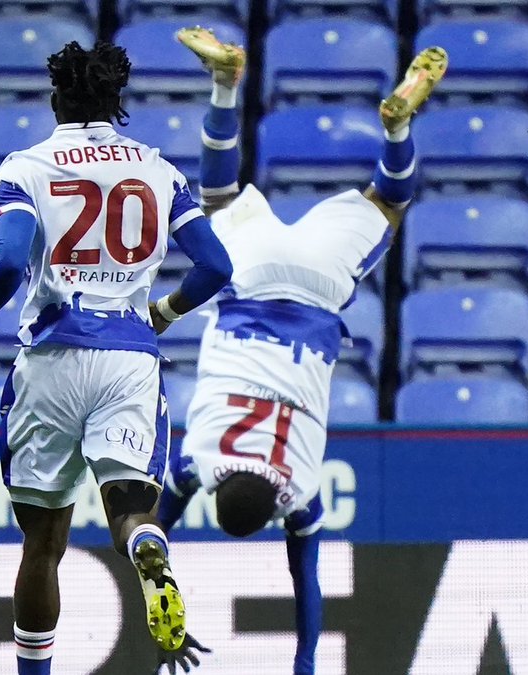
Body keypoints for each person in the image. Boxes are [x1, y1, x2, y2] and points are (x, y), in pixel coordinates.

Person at [156, 28, 447, 675]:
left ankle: (399, 131)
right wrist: (160, 593)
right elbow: (155, 530)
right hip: (250, 275)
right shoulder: (197, 459)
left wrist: (306, 661)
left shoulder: (301, 490)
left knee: (392, 201)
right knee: (218, 197)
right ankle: (226, 84)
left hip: (315, 289)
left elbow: (307, 581)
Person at [0, 40, 233, 675]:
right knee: (131, 509)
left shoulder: (27, 166)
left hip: (51, 356)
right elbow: (216, 267)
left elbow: (6, 260)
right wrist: (164, 311)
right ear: (116, 103)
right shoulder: (158, 170)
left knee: (42, 544)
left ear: (57, 100)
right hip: (129, 357)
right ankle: (147, 546)